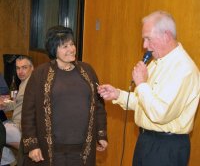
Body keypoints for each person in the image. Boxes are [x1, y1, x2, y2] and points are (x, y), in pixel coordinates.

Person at [98, 11, 200, 166]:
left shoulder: (183, 69)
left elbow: (160, 114)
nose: (145, 45)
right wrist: (118, 95)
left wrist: (142, 84)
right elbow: (145, 102)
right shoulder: (158, 61)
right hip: (147, 141)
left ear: (166, 36)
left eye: (148, 39)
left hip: (167, 147)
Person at [21, 25, 108, 166]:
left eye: (72, 44)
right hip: (51, 151)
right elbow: (28, 112)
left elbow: (98, 105)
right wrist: (32, 145)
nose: (71, 49)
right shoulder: (40, 74)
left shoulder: (88, 71)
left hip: (83, 150)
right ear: (53, 49)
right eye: (64, 46)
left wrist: (101, 134)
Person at [0, 55, 34, 166]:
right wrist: (4, 105)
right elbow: (17, 103)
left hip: (21, 128)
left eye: (24, 67)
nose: (20, 71)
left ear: (32, 68)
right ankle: (10, 161)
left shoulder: (31, 85)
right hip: (15, 124)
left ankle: (10, 161)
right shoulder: (24, 82)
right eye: (18, 68)